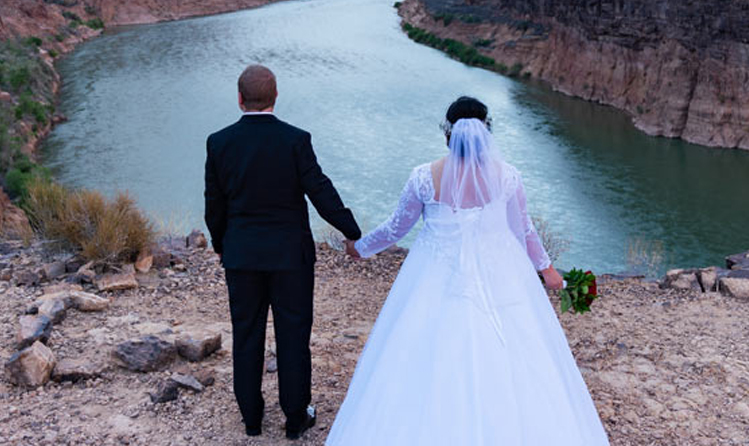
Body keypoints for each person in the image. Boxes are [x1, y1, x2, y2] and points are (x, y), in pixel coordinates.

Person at [327, 96, 610, 445]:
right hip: (501, 273)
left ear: (447, 133)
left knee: (420, 350)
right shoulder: (507, 177)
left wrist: (360, 248)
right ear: (486, 132)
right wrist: (548, 271)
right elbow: (524, 230)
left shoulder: (424, 177)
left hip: (433, 277)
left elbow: (395, 229)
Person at [205, 64, 362, 440]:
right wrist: (353, 233)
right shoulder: (296, 140)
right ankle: (295, 418)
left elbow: (214, 204)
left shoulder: (219, 142)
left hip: (242, 256)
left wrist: (220, 244)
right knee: (293, 335)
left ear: (240, 99)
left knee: (246, 335)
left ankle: (252, 419)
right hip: (291, 258)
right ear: (275, 97)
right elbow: (320, 190)